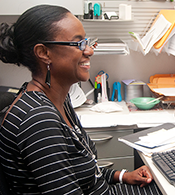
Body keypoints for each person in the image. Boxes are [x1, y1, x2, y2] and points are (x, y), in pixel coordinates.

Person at [0, 4, 162, 195]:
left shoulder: (59, 101)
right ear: (44, 53)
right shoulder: (40, 120)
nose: (89, 51)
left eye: (87, 41)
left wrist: (123, 175)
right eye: (78, 44)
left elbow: (83, 172)